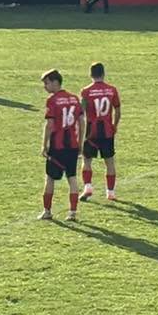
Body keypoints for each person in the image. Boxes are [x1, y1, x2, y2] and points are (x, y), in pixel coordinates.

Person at [38, 69, 83, 222]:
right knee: (72, 178)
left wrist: (44, 145)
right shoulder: (74, 98)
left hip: (57, 146)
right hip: (72, 145)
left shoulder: (52, 100)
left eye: (46, 83)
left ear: (55, 82)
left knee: (50, 178)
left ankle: (47, 211)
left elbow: (49, 125)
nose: (45, 87)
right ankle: (72, 212)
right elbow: (82, 121)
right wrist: (80, 141)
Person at [79, 61, 122, 204]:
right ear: (103, 74)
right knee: (109, 161)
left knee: (86, 160)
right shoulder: (112, 90)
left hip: (92, 130)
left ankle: (88, 186)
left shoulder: (86, 91)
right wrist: (114, 125)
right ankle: (110, 192)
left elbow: (82, 112)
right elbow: (117, 109)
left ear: (91, 74)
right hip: (107, 130)